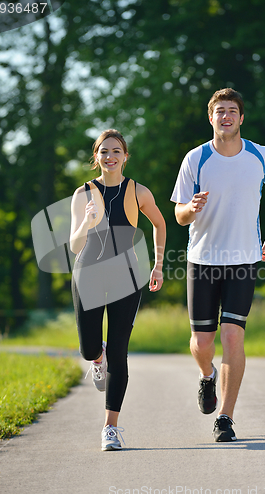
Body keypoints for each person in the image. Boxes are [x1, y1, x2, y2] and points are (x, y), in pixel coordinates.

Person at [171, 88, 265, 442]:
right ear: (211, 117)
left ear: (240, 117)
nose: (226, 116)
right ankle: (207, 377)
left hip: (243, 259)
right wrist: (192, 208)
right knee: (202, 342)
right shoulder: (196, 158)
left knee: (233, 336)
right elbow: (178, 215)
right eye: (220, 111)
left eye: (232, 110)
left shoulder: (259, 155)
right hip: (202, 260)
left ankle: (225, 417)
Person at [70, 129, 166, 451]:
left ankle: (110, 427)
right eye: (103, 151)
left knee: (119, 353)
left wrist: (158, 265)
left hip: (127, 275)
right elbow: (74, 245)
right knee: (88, 348)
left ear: (125, 156)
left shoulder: (139, 192)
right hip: (88, 275)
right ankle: (97, 359)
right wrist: (86, 221)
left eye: (116, 151)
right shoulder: (82, 193)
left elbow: (159, 223)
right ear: (95, 157)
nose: (109, 157)